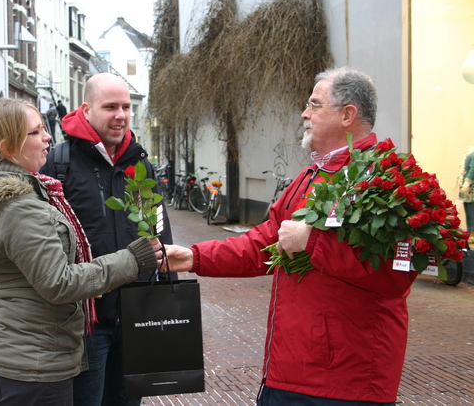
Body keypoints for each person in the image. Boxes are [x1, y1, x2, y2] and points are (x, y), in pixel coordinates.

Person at [164, 67, 417, 406]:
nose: (304, 113)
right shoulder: (312, 174)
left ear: (347, 115)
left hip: (345, 382)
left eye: (314, 104)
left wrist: (312, 243)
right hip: (291, 372)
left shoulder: (386, 179)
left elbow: (395, 274)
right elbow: (265, 243)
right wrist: (195, 257)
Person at [0, 97, 162, 406]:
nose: (47, 137)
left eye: (44, 128)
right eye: (35, 132)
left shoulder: (9, 188)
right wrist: (133, 259)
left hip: (22, 345)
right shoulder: (19, 205)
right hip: (32, 358)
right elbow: (59, 282)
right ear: (7, 147)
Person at [40, 73, 175, 406]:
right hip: (87, 322)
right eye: (110, 106)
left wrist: (168, 293)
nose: (121, 115)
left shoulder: (140, 164)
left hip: (137, 315)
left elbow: (159, 230)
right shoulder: (58, 164)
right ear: (86, 110)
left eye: (126, 107)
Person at [458, 146, 474, 246]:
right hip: (465, 189)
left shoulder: (472, 154)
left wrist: (466, 183)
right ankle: (470, 232)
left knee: (472, 212)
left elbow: (472, 171)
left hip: (471, 189)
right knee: (468, 211)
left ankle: (472, 232)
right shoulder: (469, 154)